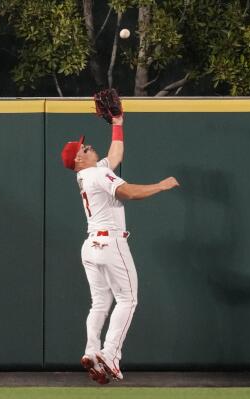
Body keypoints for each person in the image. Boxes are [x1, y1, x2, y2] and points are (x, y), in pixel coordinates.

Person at [61, 115, 179, 384]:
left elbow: (115, 155)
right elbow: (129, 193)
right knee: (128, 300)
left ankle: (92, 352)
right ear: (79, 160)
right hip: (111, 243)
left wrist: (117, 123)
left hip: (90, 246)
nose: (88, 146)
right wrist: (161, 186)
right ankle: (111, 354)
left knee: (100, 303)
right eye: (83, 148)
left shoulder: (87, 175)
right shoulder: (98, 174)